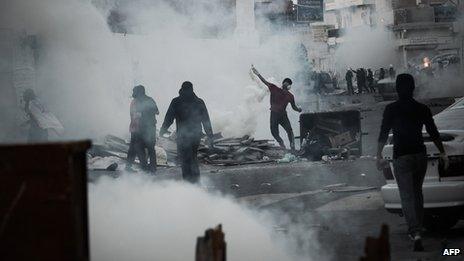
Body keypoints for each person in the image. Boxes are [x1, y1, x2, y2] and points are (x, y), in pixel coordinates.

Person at [376, 74, 449, 252]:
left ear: (396, 89)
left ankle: (415, 232)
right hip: (419, 155)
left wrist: (378, 155)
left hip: (402, 156)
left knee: (407, 196)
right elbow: (433, 131)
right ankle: (419, 227)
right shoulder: (421, 108)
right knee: (417, 193)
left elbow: (383, 133)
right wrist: (442, 152)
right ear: (413, 88)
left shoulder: (391, 109)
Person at [159, 81, 214, 183]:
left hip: (183, 136)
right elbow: (206, 120)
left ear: (182, 89)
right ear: (192, 89)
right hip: (195, 136)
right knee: (193, 157)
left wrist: (162, 130)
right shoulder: (199, 102)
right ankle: (196, 181)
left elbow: (169, 118)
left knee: (185, 159)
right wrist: (210, 135)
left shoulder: (176, 101)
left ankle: (188, 182)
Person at [252, 65, 302, 151]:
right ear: (283, 84)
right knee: (274, 132)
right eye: (285, 82)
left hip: (283, 115)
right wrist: (257, 73)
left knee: (289, 130)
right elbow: (264, 81)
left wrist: (298, 110)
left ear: (289, 86)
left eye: (288, 83)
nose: (286, 84)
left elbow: (294, 107)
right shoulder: (274, 88)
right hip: (274, 114)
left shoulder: (290, 96)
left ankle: (292, 147)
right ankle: (282, 144)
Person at [126, 85, 159, 173]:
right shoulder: (137, 101)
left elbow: (156, 111)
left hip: (144, 129)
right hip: (139, 128)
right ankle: (147, 168)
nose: (133, 94)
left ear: (139, 92)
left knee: (143, 148)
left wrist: (143, 114)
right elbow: (156, 111)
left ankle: (147, 168)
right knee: (143, 148)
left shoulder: (145, 101)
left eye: (134, 92)